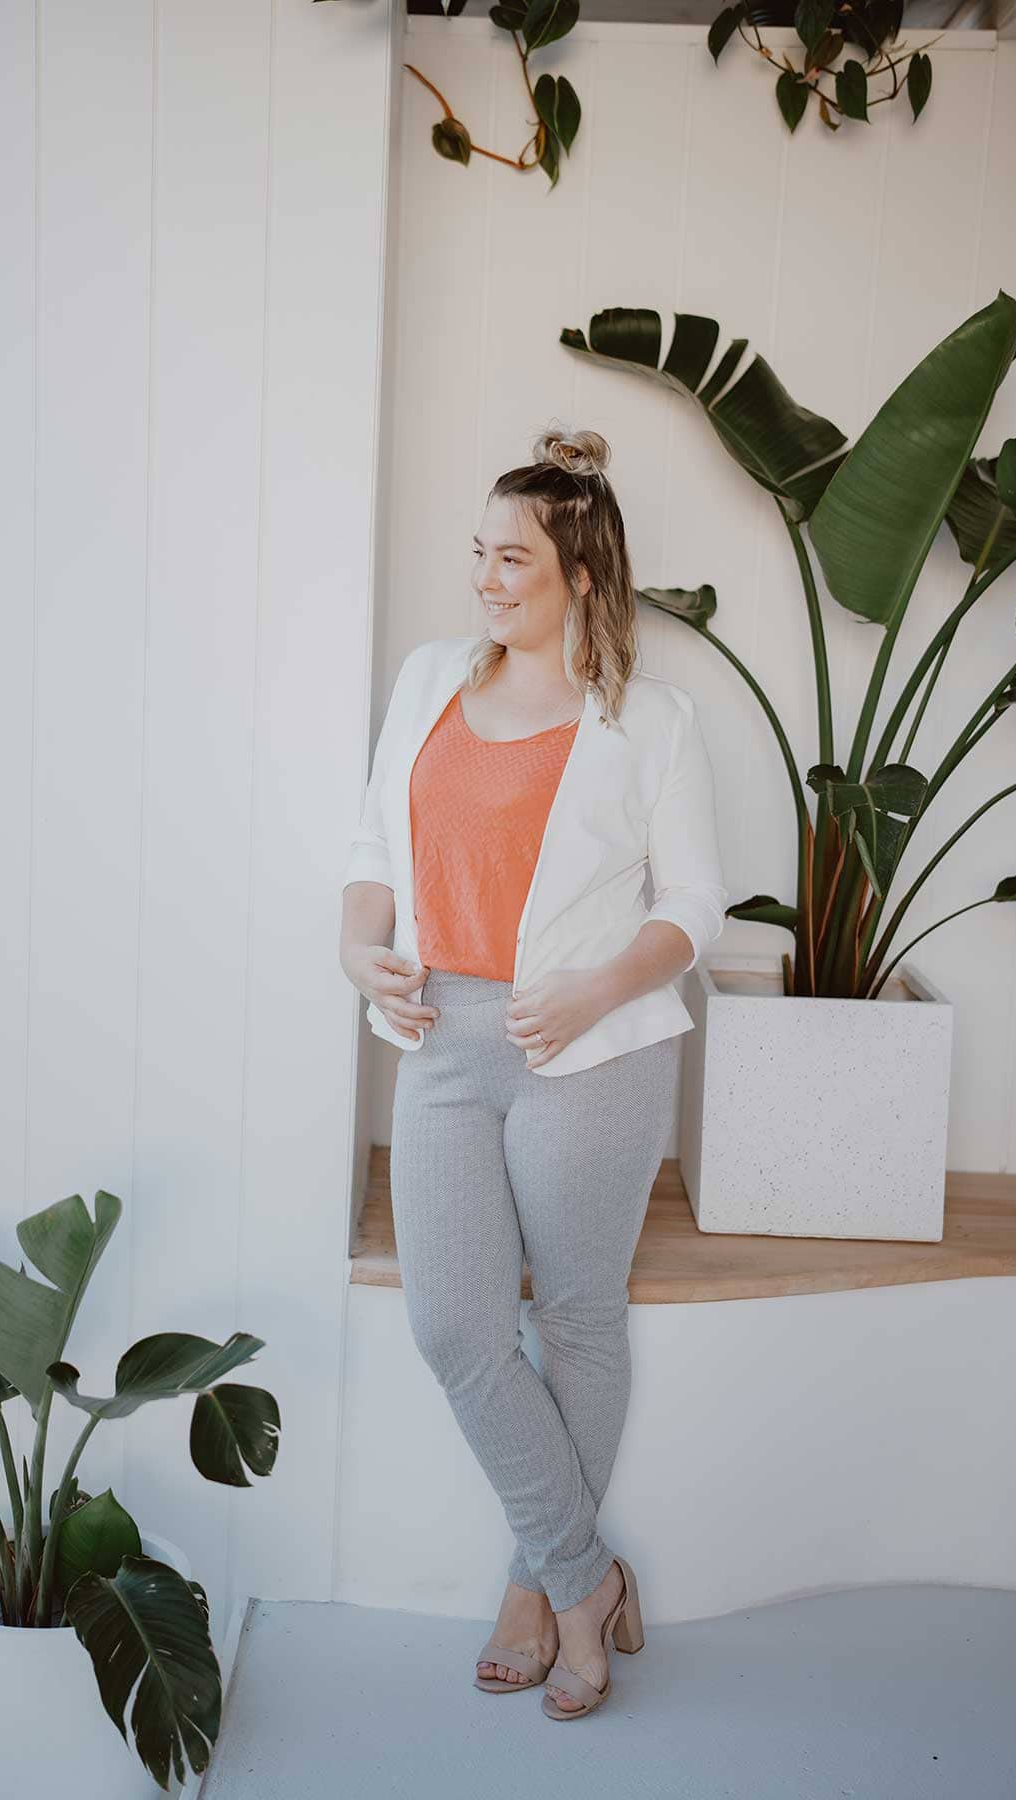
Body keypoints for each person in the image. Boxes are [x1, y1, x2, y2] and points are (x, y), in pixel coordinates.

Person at [338, 427, 728, 1720]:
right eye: (480, 553)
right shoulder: (428, 682)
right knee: (454, 1326)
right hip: (441, 1038)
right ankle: (586, 1578)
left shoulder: (650, 722)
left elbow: (694, 907)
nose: (486, 579)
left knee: (574, 1318)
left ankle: (533, 1592)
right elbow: (374, 848)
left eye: (513, 559)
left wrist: (598, 987)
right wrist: (356, 947)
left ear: (582, 575)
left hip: (587, 1049)